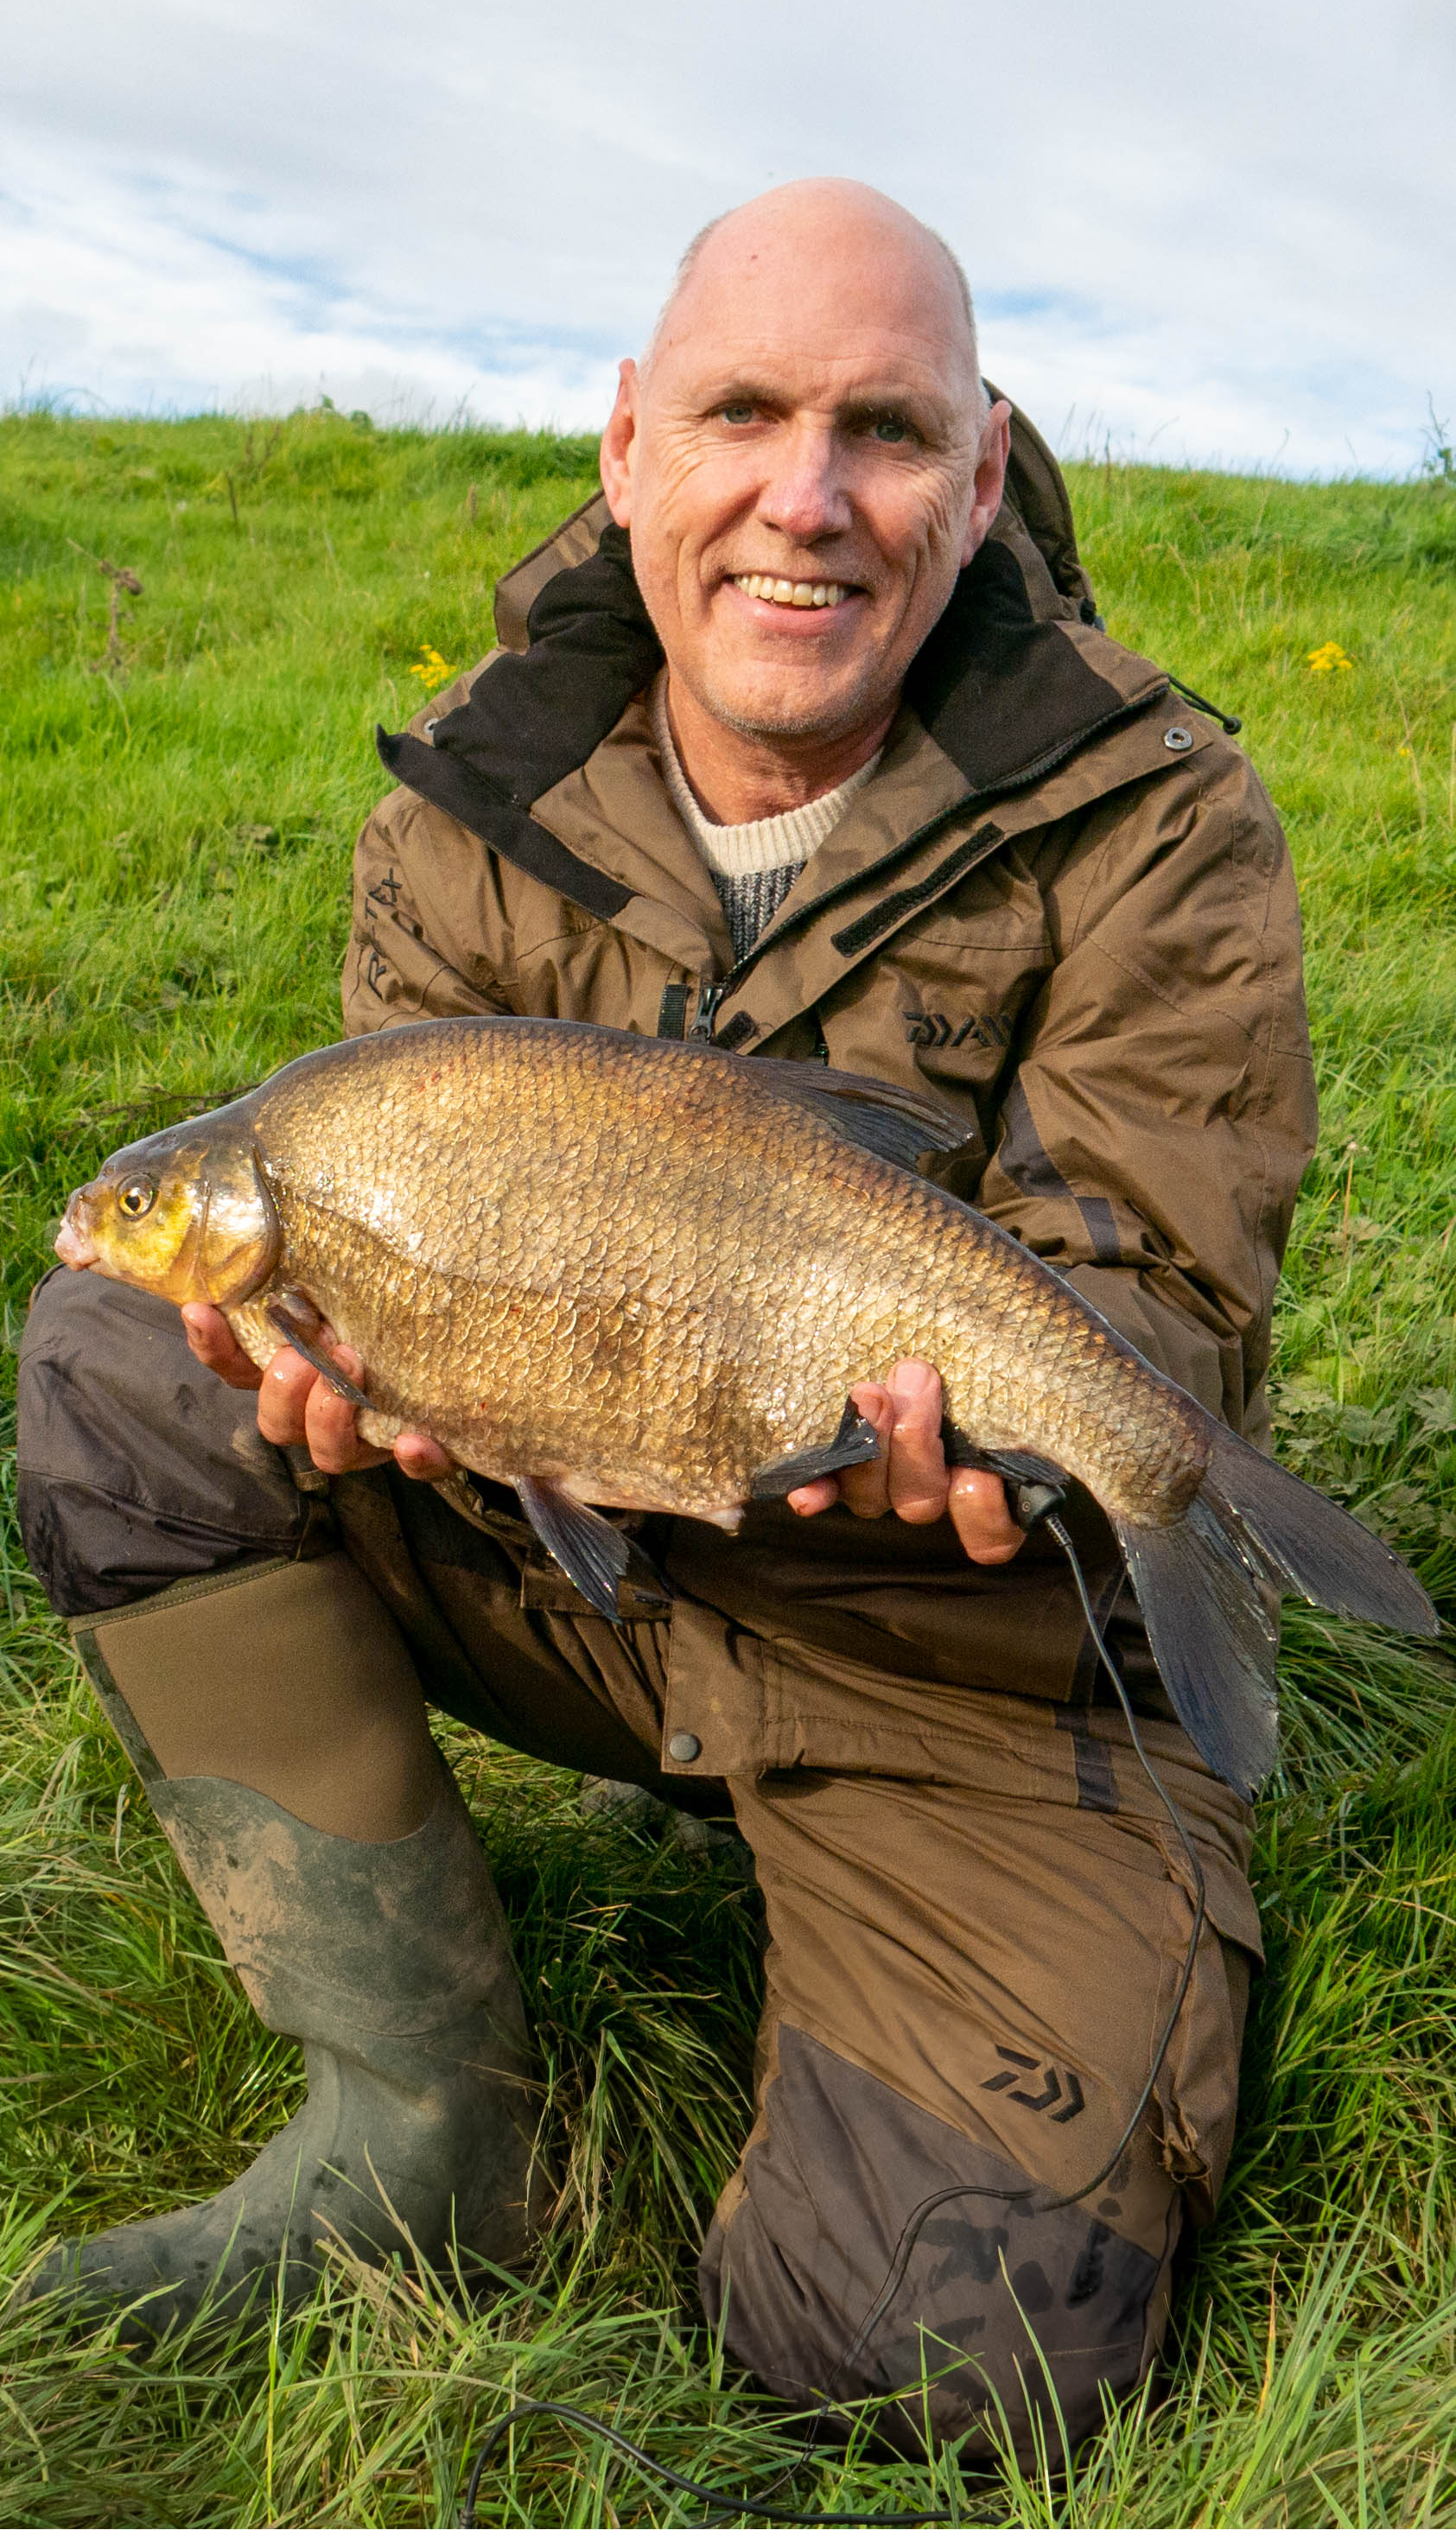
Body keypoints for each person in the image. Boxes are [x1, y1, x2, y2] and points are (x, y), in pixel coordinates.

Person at [16, 179, 1316, 2460]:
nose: (803, 497)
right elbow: (407, 1296)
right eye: (742, 413)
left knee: (918, 2367)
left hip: (971, 1651)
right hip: (590, 1513)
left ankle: (941, 1922)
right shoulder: (478, 793)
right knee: (125, 1365)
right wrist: (351, 1383)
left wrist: (1022, 1442)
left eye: (887, 431)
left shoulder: (1159, 813)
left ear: (984, 471)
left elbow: (1164, 1300)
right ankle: (418, 2117)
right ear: (631, 445)